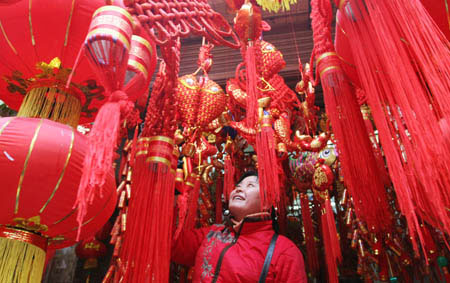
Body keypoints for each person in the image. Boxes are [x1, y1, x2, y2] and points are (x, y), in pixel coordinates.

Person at [172, 171, 307, 282]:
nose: (239, 188)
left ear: (267, 202)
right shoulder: (213, 233)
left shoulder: (285, 252)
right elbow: (171, 244)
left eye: (250, 185)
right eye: (238, 186)